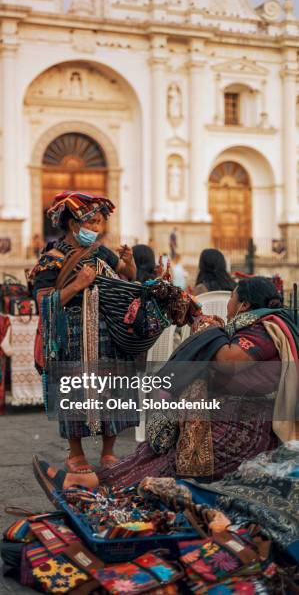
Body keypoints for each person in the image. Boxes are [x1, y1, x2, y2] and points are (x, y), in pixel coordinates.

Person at [33, 276, 298, 493]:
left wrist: (207, 330)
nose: (228, 303)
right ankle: (91, 481)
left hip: (245, 430)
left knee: (168, 461)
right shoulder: (253, 327)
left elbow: (230, 360)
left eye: (232, 297)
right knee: (150, 451)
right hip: (226, 416)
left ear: (245, 305)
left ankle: (96, 488)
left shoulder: (265, 330)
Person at [30, 191, 137, 482]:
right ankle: (75, 453)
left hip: (107, 332)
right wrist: (77, 284)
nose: (97, 229)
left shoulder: (101, 252)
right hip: (72, 336)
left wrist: (129, 262)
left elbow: (126, 275)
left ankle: (108, 451)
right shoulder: (51, 260)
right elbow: (43, 302)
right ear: (74, 224)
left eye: (100, 223)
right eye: (92, 223)